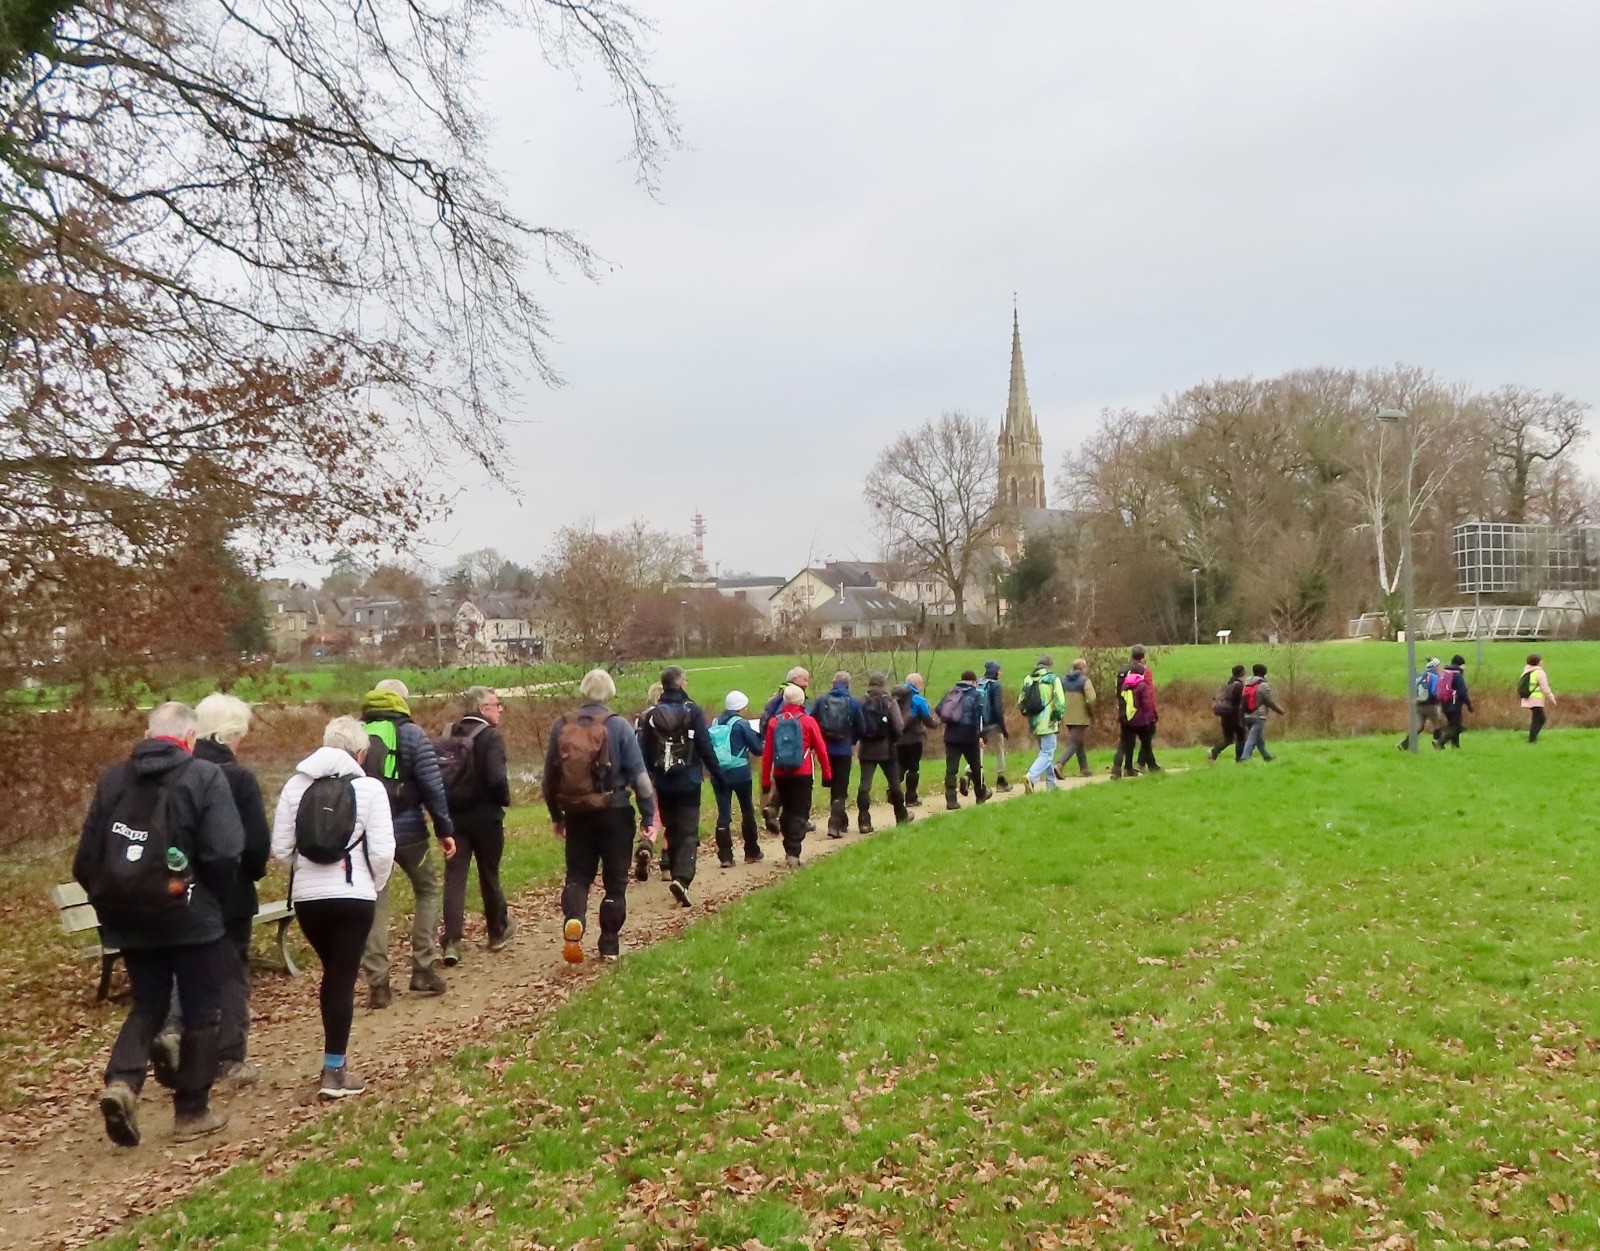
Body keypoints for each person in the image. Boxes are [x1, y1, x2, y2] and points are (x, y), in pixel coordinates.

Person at [75, 702, 244, 1146]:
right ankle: (191, 1111)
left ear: (149, 734)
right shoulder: (205, 776)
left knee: (148, 1003)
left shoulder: (114, 779)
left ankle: (122, 1082)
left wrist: (112, 900)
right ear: (190, 738)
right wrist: (208, 897)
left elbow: (87, 857)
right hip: (191, 915)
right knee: (202, 1010)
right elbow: (225, 850)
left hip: (129, 916)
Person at [271, 716, 395, 1100]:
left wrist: (306, 872)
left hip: (309, 901)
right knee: (342, 976)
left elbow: (281, 848)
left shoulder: (295, 785)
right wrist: (373, 884)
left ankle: (333, 1063)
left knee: (333, 974)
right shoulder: (370, 788)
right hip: (353, 896)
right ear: (360, 752)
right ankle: (335, 1071)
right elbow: (382, 852)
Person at [545, 669, 658, 962]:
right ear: (610, 692)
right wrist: (649, 817)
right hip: (615, 812)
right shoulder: (619, 726)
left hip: (577, 813)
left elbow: (549, 779)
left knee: (578, 874)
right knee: (615, 880)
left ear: (584, 690)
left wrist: (557, 816)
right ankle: (609, 943)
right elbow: (641, 779)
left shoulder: (561, 725)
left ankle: (575, 918)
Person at [190, 694, 270, 1093]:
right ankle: (229, 1058)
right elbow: (256, 843)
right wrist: (252, 873)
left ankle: (186, 1055)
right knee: (232, 975)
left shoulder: (179, 773)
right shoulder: (237, 779)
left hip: (184, 891)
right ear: (230, 734)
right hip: (231, 893)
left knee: (189, 973)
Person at [359, 680, 456, 1007]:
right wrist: (444, 828)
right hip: (409, 831)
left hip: (369, 834)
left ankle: (378, 983)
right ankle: (423, 967)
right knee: (427, 889)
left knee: (376, 900)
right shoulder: (412, 734)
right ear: (402, 701)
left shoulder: (356, 733)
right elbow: (432, 785)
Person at [636, 666, 725, 908]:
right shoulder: (692, 711)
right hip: (689, 780)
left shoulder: (650, 715)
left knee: (672, 829)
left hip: (663, 781)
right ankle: (682, 878)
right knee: (688, 831)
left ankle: (675, 872)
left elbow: (644, 751)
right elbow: (704, 745)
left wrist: (647, 778)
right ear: (682, 683)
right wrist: (717, 774)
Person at [440, 686, 514, 966]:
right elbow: (496, 778)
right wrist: (504, 799)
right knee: (489, 873)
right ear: (483, 708)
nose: (500, 709)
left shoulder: (449, 733)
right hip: (486, 818)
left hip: (454, 817)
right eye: (496, 704)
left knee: (455, 877)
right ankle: (497, 931)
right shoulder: (491, 736)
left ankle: (452, 941)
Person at [760, 684, 831, 867]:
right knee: (799, 812)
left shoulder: (774, 722)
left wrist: (765, 780)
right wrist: (827, 774)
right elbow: (821, 749)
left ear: (784, 701)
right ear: (801, 701)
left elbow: (767, 754)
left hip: (781, 773)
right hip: (802, 773)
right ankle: (793, 853)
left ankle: (789, 848)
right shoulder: (808, 721)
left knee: (787, 810)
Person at [708, 690, 765, 866]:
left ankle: (725, 856)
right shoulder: (742, 724)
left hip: (718, 774)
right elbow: (757, 749)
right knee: (747, 809)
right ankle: (751, 851)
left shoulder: (715, 722)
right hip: (740, 773)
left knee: (723, 812)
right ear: (741, 706)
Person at [810, 670, 866, 837]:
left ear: (833, 683)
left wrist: (818, 741)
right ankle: (834, 825)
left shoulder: (821, 700)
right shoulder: (853, 702)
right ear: (848, 685)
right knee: (840, 788)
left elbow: (811, 722)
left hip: (825, 751)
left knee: (833, 786)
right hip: (843, 750)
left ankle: (842, 821)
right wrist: (851, 740)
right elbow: (862, 727)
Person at [855, 671, 910, 829]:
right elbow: (899, 726)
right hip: (888, 749)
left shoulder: (861, 702)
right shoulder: (889, 702)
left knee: (865, 785)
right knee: (895, 785)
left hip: (866, 750)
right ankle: (901, 816)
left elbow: (856, 725)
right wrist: (895, 739)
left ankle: (864, 821)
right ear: (883, 684)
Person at [759, 667, 810, 833]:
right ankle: (797, 819)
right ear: (795, 679)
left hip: (775, 745)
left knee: (783, 780)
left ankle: (773, 810)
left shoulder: (775, 696)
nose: (807, 684)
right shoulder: (791, 697)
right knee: (796, 783)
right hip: (792, 746)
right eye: (805, 679)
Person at [939, 670, 989, 809]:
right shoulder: (975, 695)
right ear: (973, 681)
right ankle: (980, 794)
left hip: (951, 735)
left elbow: (939, 709)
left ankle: (951, 799)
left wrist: (952, 719)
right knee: (976, 765)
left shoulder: (951, 692)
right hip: (969, 735)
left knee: (951, 769)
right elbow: (981, 717)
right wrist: (982, 735)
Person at [1018, 655, 1066, 793]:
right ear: (1049, 666)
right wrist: (1058, 717)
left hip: (1033, 722)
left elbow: (1021, 700)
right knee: (1047, 753)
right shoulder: (1052, 679)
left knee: (1045, 753)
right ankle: (1031, 777)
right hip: (1048, 722)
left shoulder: (1028, 679)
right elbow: (1060, 701)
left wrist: (1027, 713)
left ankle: (1051, 785)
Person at [891, 673, 938, 806]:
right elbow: (927, 719)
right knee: (913, 768)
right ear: (917, 684)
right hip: (914, 739)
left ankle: (893, 792)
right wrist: (936, 723)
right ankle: (911, 798)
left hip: (896, 739)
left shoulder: (893, 697)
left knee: (899, 766)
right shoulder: (917, 699)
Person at [1111, 662, 1158, 778]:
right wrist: (1150, 716)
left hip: (1127, 720)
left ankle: (1116, 768)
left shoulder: (1125, 685)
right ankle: (1152, 767)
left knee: (1123, 745)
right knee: (1146, 744)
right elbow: (1146, 704)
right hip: (1141, 721)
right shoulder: (1142, 685)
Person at [1055, 658, 1097, 779]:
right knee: (1075, 742)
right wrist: (1091, 712)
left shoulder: (1063, 681)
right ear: (1081, 668)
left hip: (1068, 716)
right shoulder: (1085, 681)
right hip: (1081, 716)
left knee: (1078, 740)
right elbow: (1091, 699)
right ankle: (1060, 765)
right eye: (1085, 667)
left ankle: (1084, 768)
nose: (1086, 669)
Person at [1239, 664, 1287, 762]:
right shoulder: (1263, 685)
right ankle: (1244, 758)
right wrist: (1280, 711)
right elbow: (1269, 701)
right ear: (1264, 673)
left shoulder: (1246, 684)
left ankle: (1267, 757)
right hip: (1258, 716)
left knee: (1258, 738)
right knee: (1252, 738)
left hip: (1246, 715)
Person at [976, 660, 1011, 792]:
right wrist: (1003, 728)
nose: (1000, 673)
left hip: (980, 723)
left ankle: (968, 774)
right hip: (993, 725)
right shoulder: (996, 685)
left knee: (979, 750)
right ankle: (1001, 781)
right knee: (999, 750)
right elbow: (997, 708)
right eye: (999, 670)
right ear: (995, 672)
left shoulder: (980, 683)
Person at [1401, 658, 1445, 749]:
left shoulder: (1420, 676)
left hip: (1419, 705)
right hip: (1431, 706)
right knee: (1438, 725)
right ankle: (1438, 745)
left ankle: (1404, 745)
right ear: (1435, 667)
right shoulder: (1434, 677)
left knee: (1419, 727)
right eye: (1439, 666)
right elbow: (1434, 692)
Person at [1207, 665, 1247, 763]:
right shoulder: (1239, 686)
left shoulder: (1227, 685)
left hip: (1225, 716)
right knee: (1241, 738)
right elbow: (1242, 701)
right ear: (1242, 674)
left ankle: (1214, 751)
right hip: (1235, 717)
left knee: (1228, 739)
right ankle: (1239, 760)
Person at [1433, 655, 1473, 749]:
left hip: (1444, 704)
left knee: (1453, 725)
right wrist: (1469, 705)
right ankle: (1440, 742)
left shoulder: (1444, 673)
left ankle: (1455, 746)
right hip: (1454, 705)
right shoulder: (1457, 675)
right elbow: (1462, 692)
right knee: (1456, 726)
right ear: (1461, 664)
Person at [1520, 653, 1555, 742]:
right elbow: (1544, 687)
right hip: (1536, 699)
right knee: (1540, 719)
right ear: (1538, 662)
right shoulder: (1539, 672)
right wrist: (1551, 697)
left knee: (1538, 718)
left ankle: (1533, 738)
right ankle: (1532, 739)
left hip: (1528, 698)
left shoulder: (1526, 671)